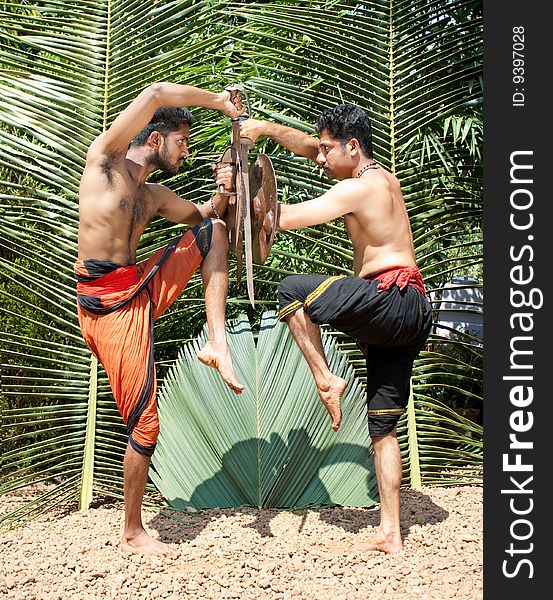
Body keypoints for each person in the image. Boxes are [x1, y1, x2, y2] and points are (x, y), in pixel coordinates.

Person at [239, 104, 432, 554]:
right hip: (412, 313)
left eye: (329, 150)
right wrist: (265, 128)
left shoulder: (358, 188)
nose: (320, 159)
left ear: (353, 146)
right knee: (383, 427)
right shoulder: (379, 176)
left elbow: (280, 218)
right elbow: (311, 147)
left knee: (291, 291)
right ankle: (391, 532)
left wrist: (236, 197)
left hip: (390, 298)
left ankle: (326, 380)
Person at [75, 82, 245, 556]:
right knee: (145, 425)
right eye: (182, 141)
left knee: (212, 231)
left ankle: (218, 342)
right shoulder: (104, 163)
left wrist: (224, 190)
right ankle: (132, 531)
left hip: (138, 286)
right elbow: (153, 94)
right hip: (106, 306)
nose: (186, 152)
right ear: (156, 138)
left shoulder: (153, 195)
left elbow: (206, 216)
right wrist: (219, 102)